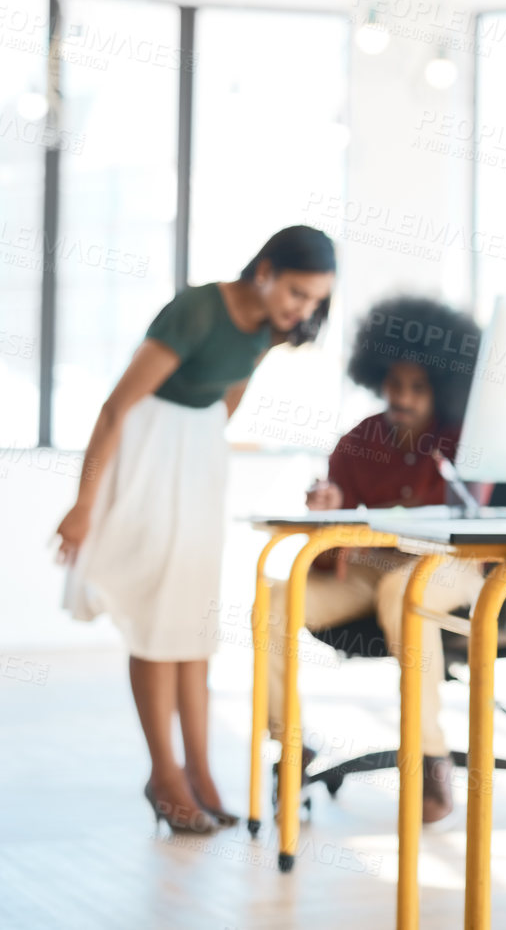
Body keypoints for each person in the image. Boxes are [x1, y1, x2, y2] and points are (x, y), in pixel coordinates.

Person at [56, 226, 337, 834]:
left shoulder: (269, 330)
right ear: (264, 269)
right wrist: (84, 504)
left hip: (198, 466)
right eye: (297, 291)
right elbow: (116, 407)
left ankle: (202, 774)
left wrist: (202, 447)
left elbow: (226, 403)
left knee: (192, 625)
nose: (302, 310)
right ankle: (166, 775)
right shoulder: (195, 309)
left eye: (315, 301)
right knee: (157, 623)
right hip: (147, 459)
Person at [268, 295, 487, 824]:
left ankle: (429, 754)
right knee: (274, 600)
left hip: (447, 568)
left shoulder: (466, 442)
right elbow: (327, 551)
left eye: (417, 387)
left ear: (440, 386)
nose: (403, 398)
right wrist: (330, 512)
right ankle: (291, 746)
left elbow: (469, 527)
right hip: (369, 569)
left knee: (404, 590)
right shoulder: (358, 442)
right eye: (395, 384)